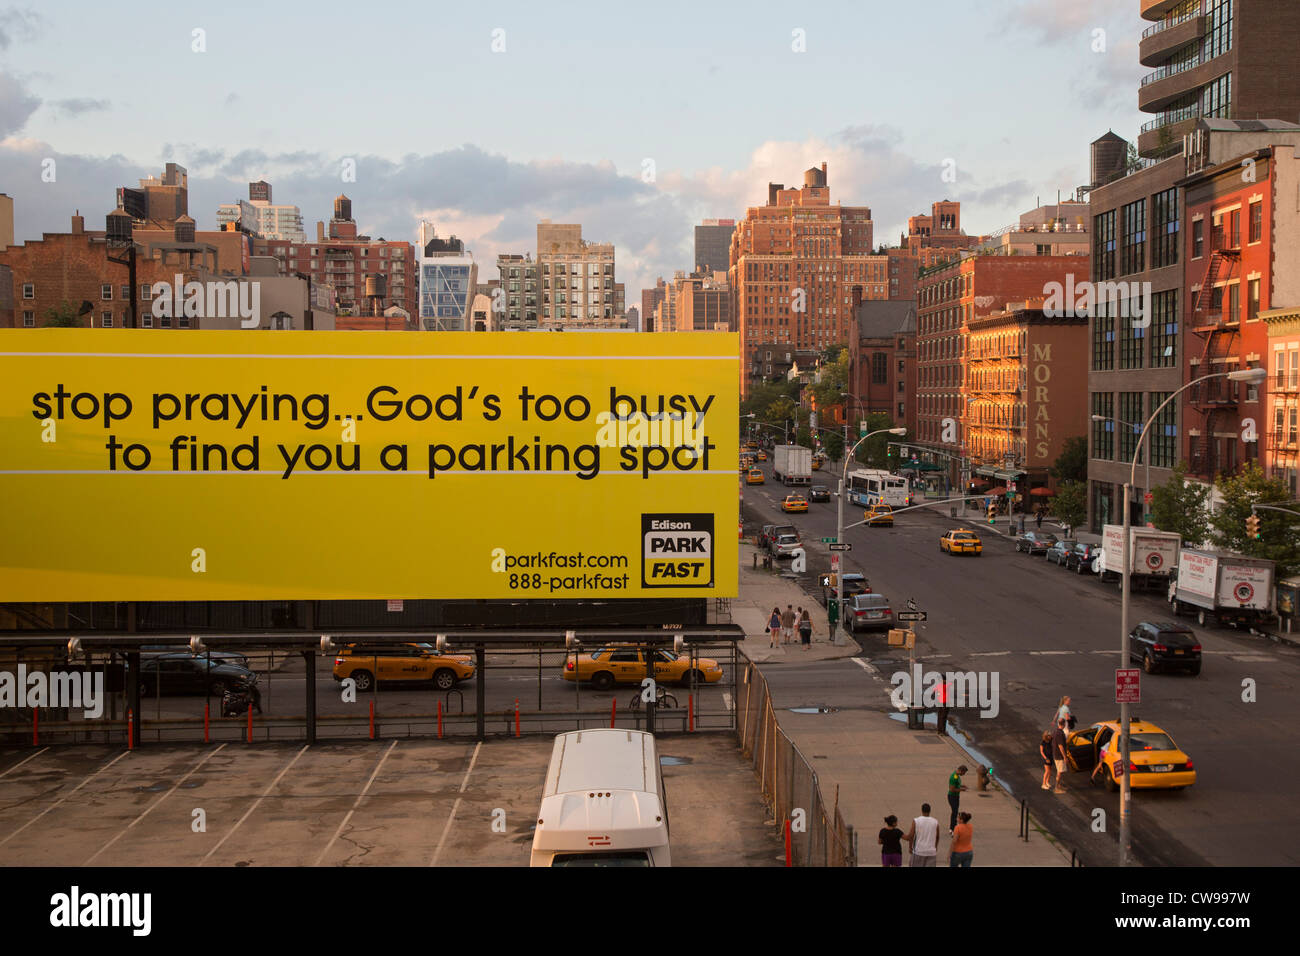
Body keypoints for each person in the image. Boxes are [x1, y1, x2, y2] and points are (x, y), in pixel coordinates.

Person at [947, 765, 968, 834]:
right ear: (961, 771)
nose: (963, 774)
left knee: (955, 812)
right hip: (952, 797)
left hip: (956, 797)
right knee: (954, 812)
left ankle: (953, 827)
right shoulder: (954, 777)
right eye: (964, 773)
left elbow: (956, 785)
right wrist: (961, 789)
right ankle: (952, 828)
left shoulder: (957, 776)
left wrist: (962, 786)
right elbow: (952, 789)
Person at [1051, 718, 1069, 793]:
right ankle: (1056, 788)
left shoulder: (1056, 731)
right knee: (1060, 772)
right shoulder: (1060, 734)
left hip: (1056, 753)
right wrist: (1065, 757)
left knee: (1060, 771)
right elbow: (1060, 746)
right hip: (1059, 755)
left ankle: (1058, 785)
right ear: (1064, 724)